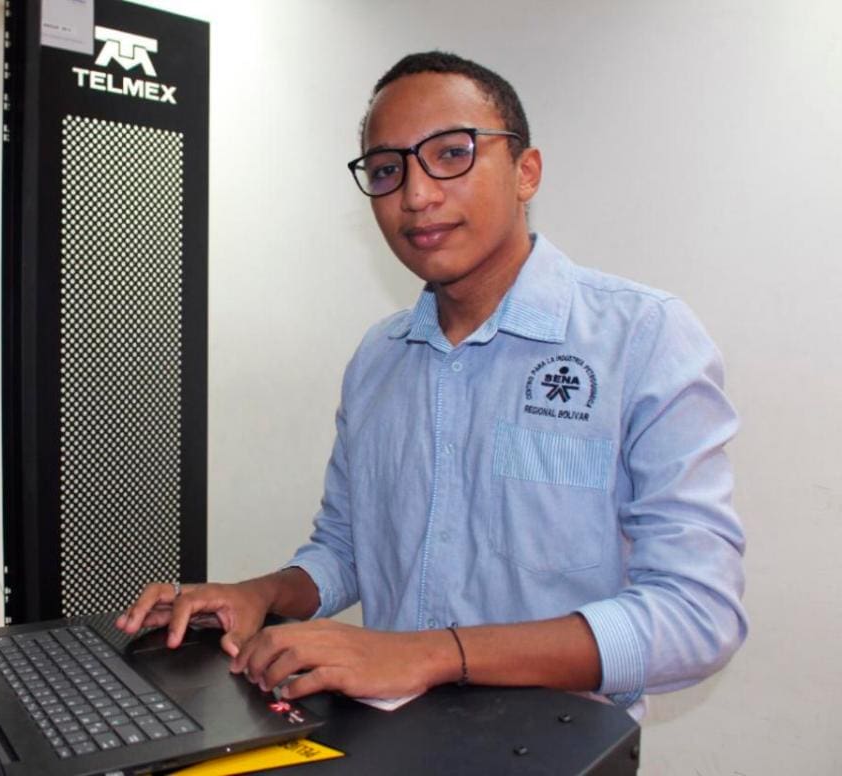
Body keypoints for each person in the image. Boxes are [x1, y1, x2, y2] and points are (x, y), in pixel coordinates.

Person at [116, 51, 747, 718]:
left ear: (526, 171)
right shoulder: (379, 358)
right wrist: (261, 595)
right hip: (389, 742)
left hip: (555, 750)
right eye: (387, 170)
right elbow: (347, 550)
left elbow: (697, 615)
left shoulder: (642, 339)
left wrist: (432, 653)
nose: (416, 195)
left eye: (452, 153)